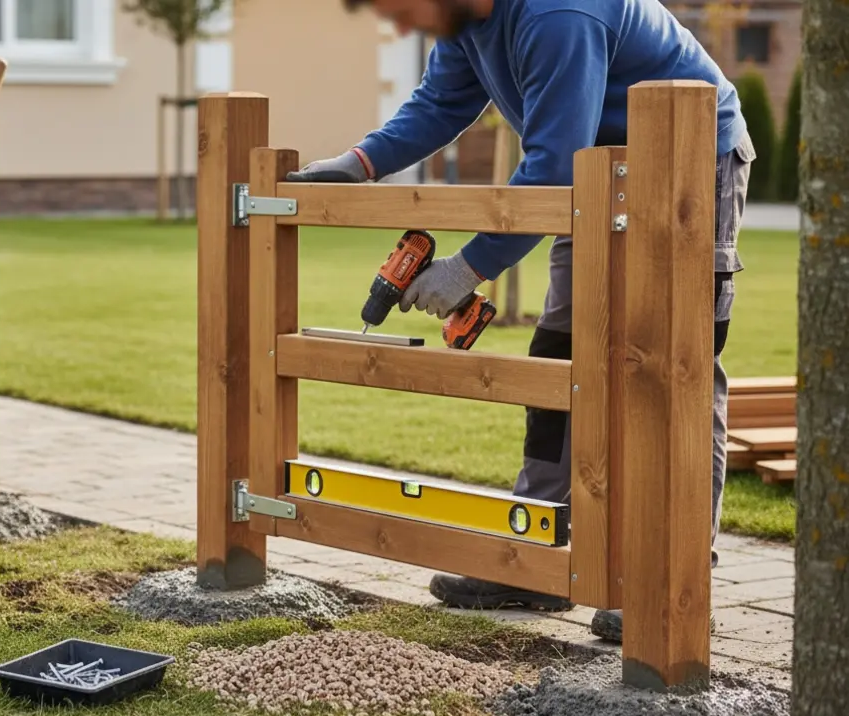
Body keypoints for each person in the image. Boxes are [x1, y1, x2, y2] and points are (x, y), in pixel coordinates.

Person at [296, 0, 754, 642]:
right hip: (595, 175)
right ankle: (537, 556)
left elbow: (553, 159)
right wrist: (362, 162)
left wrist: (467, 268)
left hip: (689, 162)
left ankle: (672, 580)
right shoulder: (463, 22)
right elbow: (440, 104)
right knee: (561, 356)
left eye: (402, 9)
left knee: (678, 367)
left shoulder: (558, 13)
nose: (400, 28)